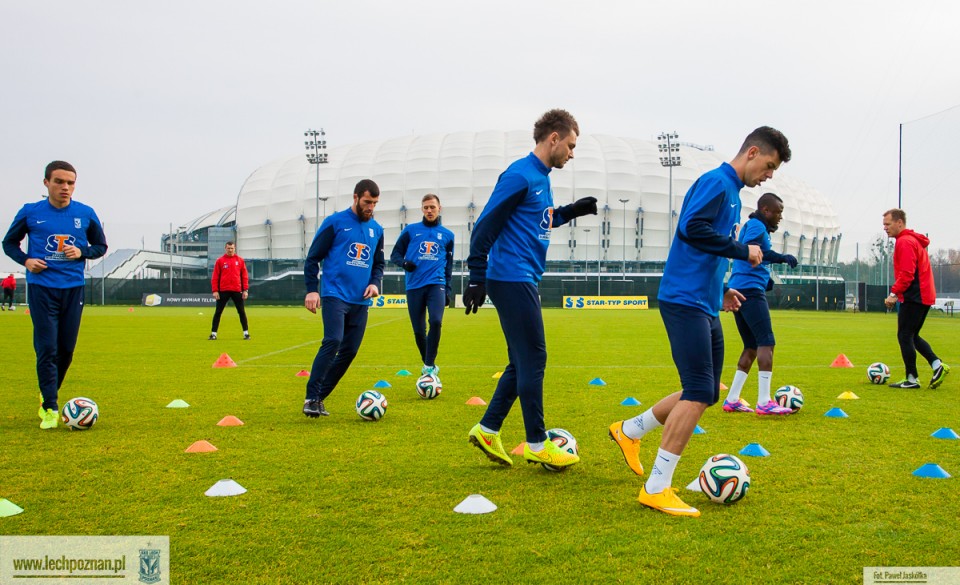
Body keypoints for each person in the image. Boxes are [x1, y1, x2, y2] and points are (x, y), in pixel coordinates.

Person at [608, 127, 790, 517]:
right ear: (752, 152)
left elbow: (705, 248)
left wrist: (720, 289)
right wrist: (743, 250)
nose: (769, 175)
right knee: (696, 391)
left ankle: (630, 430)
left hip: (705, 302)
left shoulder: (732, 193)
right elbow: (692, 229)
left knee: (706, 392)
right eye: (769, 166)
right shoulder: (716, 183)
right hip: (684, 301)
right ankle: (656, 488)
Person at [464, 108, 598, 470]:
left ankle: (488, 429)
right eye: (570, 145)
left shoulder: (541, 177)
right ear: (553, 138)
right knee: (535, 358)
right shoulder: (520, 175)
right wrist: (476, 275)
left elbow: (540, 219)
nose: (572, 153)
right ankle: (537, 442)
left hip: (522, 277)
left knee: (521, 361)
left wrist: (573, 211)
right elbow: (485, 225)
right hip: (511, 276)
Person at [2, 161, 108, 429]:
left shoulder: (85, 213)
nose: (65, 187)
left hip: (73, 288)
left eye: (70, 183)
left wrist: (82, 252)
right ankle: (50, 406)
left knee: (66, 350)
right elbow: (9, 243)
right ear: (46, 183)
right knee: (47, 347)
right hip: (42, 288)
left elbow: (100, 246)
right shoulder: (30, 212)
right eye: (59, 181)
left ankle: (46, 392)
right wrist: (26, 261)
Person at [302, 179, 385, 417]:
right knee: (333, 340)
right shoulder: (335, 222)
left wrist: (374, 283)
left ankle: (319, 398)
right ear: (355, 197)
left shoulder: (377, 229)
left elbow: (378, 264)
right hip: (335, 294)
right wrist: (312, 289)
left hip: (361, 300)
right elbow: (313, 258)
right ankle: (311, 397)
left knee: (349, 351)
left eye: (375, 203)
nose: (370, 207)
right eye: (367, 202)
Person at [721, 193, 798, 415]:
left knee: (752, 346)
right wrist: (781, 257)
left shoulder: (753, 225)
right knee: (767, 342)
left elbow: (753, 256)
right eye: (778, 212)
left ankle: (732, 399)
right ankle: (764, 401)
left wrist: (766, 278)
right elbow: (751, 250)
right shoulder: (756, 226)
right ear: (766, 210)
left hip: (741, 288)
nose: (780, 217)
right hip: (750, 291)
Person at [882, 209, 950, 389]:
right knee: (911, 335)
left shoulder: (905, 242)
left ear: (899, 223)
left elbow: (907, 273)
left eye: (888, 224)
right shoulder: (911, 240)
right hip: (923, 294)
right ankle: (937, 365)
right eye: (884, 225)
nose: (885, 228)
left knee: (905, 335)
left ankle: (912, 379)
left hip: (915, 295)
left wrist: (893, 294)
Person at [390, 194, 455, 381]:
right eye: (426, 207)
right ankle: (430, 366)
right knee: (419, 331)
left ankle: (428, 365)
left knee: (436, 321)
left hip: (437, 284)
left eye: (432, 207)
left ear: (439, 208)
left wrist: (448, 289)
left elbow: (449, 266)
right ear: (422, 209)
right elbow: (395, 255)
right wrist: (404, 263)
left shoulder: (448, 235)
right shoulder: (411, 231)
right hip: (414, 286)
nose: (429, 210)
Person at [208, 241, 250, 340]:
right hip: (223, 290)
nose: (230, 250)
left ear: (234, 248)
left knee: (241, 312)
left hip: (237, 290)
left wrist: (245, 290)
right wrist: (215, 290)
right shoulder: (220, 261)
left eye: (232, 248)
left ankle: (246, 333)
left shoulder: (240, 261)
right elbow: (215, 277)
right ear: (225, 248)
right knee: (218, 312)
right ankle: (213, 334)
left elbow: (244, 276)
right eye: (228, 248)